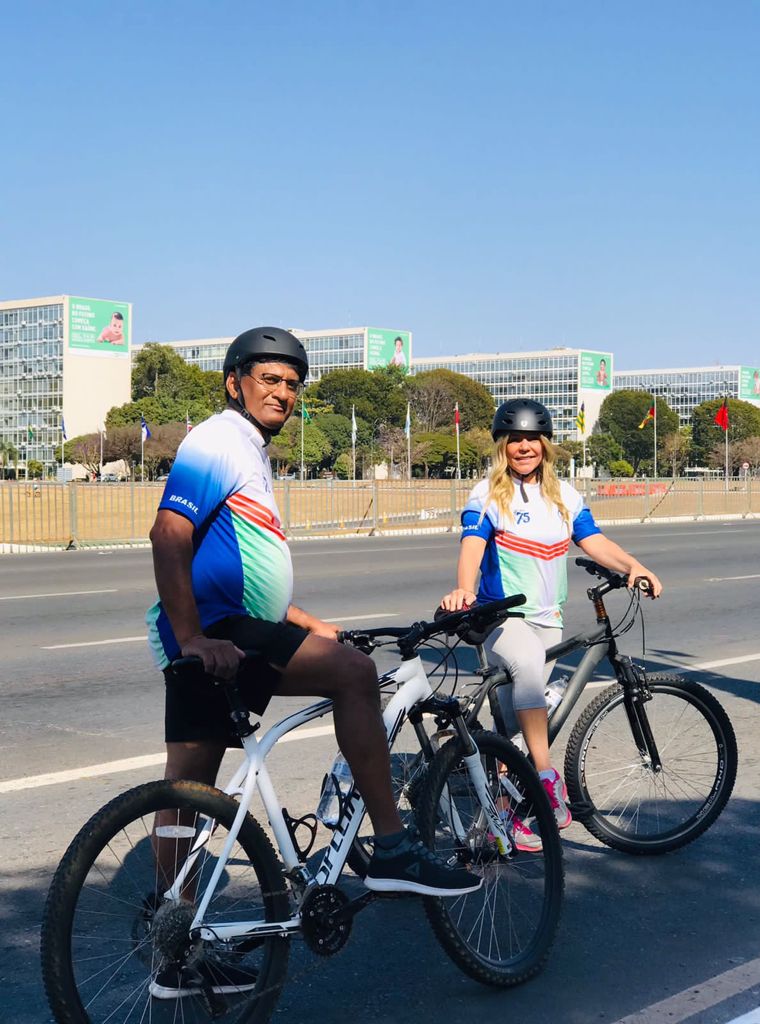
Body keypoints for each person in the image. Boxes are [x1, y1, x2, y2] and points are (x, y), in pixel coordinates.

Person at [145, 327, 480, 995]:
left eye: (293, 384)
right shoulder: (218, 439)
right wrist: (193, 639)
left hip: (229, 630)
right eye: (269, 379)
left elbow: (230, 560)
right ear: (235, 381)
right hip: (219, 635)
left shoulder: (247, 450)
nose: (284, 393)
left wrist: (302, 621)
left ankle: (172, 948)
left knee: (190, 796)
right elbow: (169, 532)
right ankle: (392, 850)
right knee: (356, 677)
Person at [441, 398, 662, 852]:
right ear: (503, 445)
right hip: (502, 617)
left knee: (515, 728)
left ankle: (503, 816)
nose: (524, 448)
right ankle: (545, 778)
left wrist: (634, 565)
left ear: (545, 445)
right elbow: (471, 547)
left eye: (532, 440)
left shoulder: (565, 496)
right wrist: (464, 589)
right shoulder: (487, 494)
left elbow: (593, 539)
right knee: (525, 665)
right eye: (514, 440)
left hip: (549, 618)